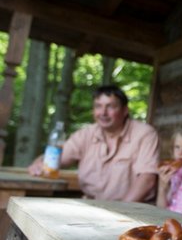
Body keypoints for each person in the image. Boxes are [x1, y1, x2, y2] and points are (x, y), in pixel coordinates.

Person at [28, 85, 160, 202]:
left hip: (133, 211)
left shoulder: (145, 134)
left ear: (125, 110)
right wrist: (38, 163)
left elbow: (147, 179)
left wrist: (121, 211)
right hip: (93, 206)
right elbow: (56, 157)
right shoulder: (85, 134)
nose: (103, 112)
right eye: (98, 106)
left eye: (111, 106)